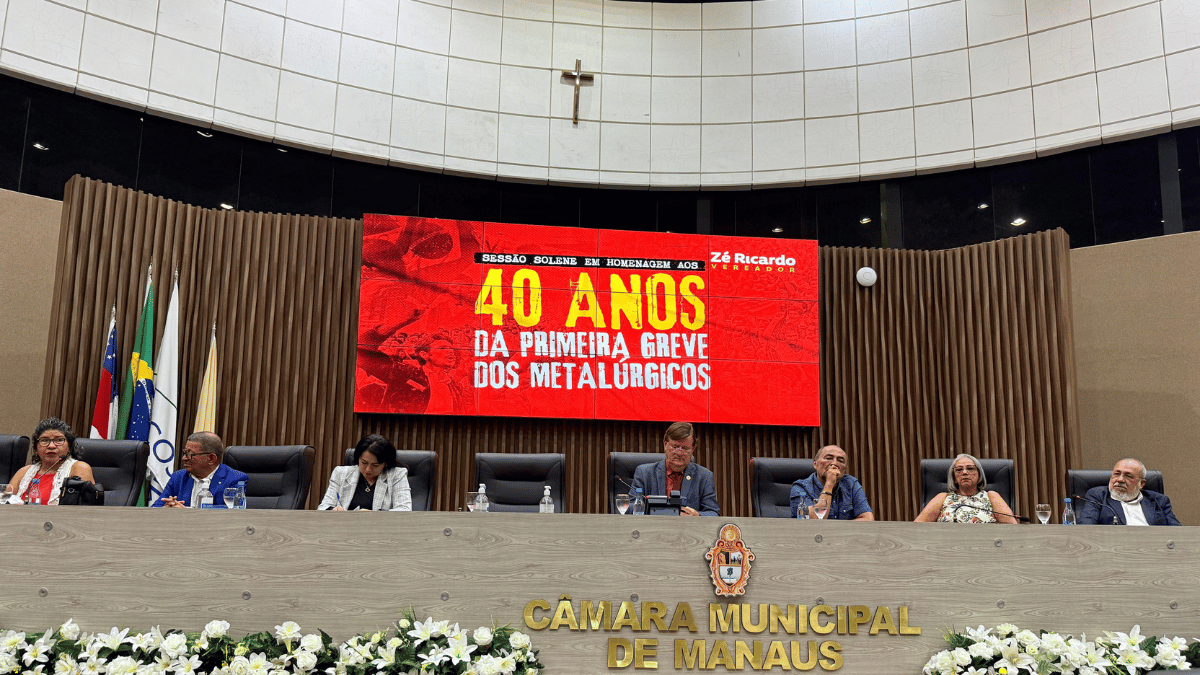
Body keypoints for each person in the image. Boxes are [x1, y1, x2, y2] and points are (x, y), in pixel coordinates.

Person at [631, 422, 719, 516]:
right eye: (675, 447)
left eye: (685, 448)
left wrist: (697, 515)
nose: (679, 453)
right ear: (665, 444)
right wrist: (653, 511)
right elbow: (630, 507)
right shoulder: (644, 473)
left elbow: (714, 513)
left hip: (687, 525)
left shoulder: (704, 477)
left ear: (693, 449)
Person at [10, 417, 96, 505]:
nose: (51, 446)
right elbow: (4, 500)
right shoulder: (24, 472)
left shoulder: (79, 468)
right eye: (44, 440)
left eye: (59, 440)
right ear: (36, 448)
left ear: (70, 447)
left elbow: (84, 508)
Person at [152, 432, 248, 508]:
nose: (184, 458)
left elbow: (233, 510)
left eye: (190, 454)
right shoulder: (178, 477)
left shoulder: (235, 479)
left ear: (211, 458)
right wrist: (166, 508)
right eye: (185, 453)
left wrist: (186, 512)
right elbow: (155, 508)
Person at [318, 434, 412, 511]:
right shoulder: (340, 473)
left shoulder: (397, 475)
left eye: (375, 465)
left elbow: (404, 510)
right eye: (364, 463)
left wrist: (372, 516)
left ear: (385, 464)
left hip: (381, 528)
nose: (368, 469)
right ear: (358, 458)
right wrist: (333, 510)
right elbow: (323, 507)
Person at [914, 453, 1016, 523]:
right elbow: (917, 527)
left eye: (970, 468)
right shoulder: (942, 498)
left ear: (979, 475)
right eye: (959, 470)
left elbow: (1012, 527)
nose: (964, 472)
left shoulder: (991, 496)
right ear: (954, 478)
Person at [1078, 458, 1180, 526]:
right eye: (1117, 474)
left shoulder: (1160, 501)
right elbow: (1086, 528)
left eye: (1128, 476)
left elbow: (1177, 532)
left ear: (1141, 484)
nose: (1120, 479)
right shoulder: (1098, 496)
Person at [790, 445, 874, 520]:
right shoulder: (800, 487)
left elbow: (868, 519)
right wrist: (829, 484)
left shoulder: (851, 483)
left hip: (843, 533)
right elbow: (813, 522)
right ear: (815, 464)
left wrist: (837, 530)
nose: (834, 463)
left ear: (845, 469)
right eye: (828, 458)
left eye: (840, 461)